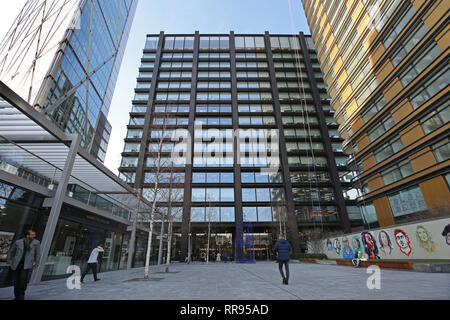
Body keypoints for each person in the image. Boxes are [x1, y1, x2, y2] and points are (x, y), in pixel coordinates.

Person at [7, 230, 41, 300]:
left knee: (23, 281)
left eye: (34, 234)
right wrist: (9, 259)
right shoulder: (18, 242)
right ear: (27, 235)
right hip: (16, 264)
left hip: (26, 264)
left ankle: (21, 296)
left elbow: (37, 254)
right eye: (32, 235)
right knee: (16, 281)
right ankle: (17, 296)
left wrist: (37, 263)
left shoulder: (36, 242)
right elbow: (11, 251)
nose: (34, 236)